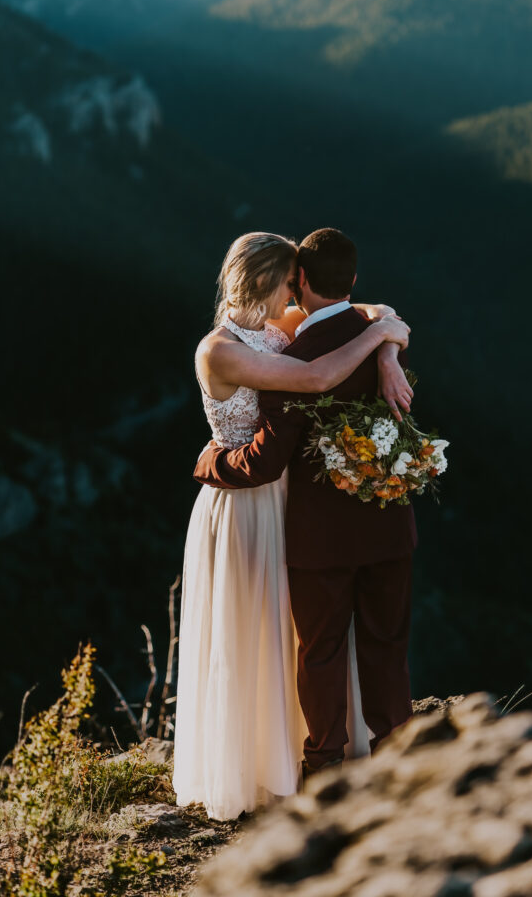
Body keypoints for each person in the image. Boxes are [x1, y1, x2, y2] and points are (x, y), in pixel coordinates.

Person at [173, 230, 412, 820]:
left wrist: (385, 345)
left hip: (284, 500)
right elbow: (312, 380)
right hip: (240, 497)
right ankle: (256, 763)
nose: (297, 293)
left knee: (294, 635)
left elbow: (382, 311)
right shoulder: (218, 349)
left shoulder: (279, 329)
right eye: (289, 282)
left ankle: (302, 751)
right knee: (253, 629)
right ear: (272, 282)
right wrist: (380, 338)